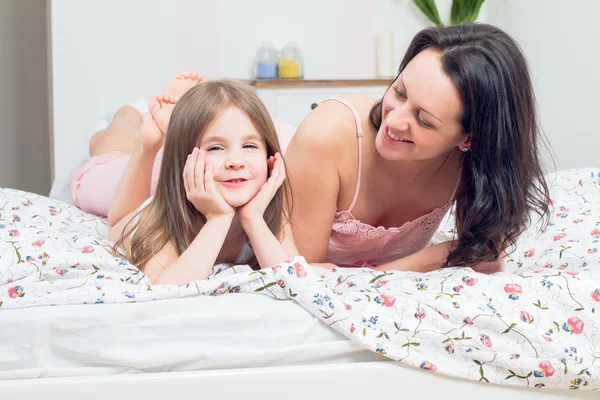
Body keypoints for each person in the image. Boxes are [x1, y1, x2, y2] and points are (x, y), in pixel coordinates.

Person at [283, 23, 551, 273]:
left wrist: (439, 255)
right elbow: (302, 275)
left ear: (468, 139)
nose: (394, 121)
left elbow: (487, 257)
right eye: (399, 92)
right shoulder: (326, 136)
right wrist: (442, 253)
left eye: (424, 120)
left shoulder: (471, 165)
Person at [101, 79, 296, 284]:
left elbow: (295, 280)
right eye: (215, 148)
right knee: (113, 137)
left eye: (249, 145)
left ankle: (179, 127)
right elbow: (165, 289)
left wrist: (253, 219)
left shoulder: (268, 206)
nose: (236, 162)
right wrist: (218, 218)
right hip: (126, 217)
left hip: (186, 153)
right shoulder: (168, 217)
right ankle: (142, 136)